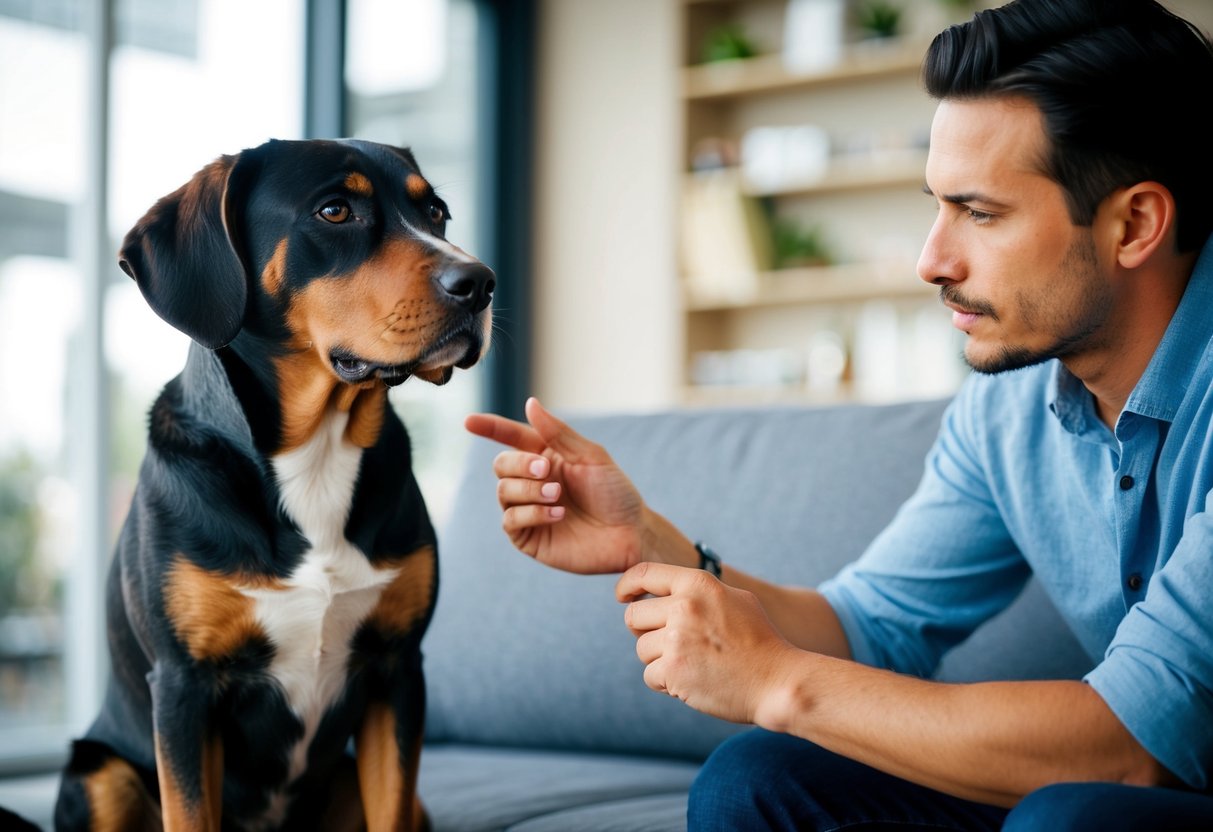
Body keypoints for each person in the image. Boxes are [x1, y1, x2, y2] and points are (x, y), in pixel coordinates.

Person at [465, 0, 1213, 828]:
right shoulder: (1005, 410)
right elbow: (866, 630)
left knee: (1073, 821)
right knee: (758, 778)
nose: (932, 260)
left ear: (1134, 224)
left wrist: (777, 683)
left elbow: (1127, 748)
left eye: (980, 212)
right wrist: (651, 544)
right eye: (936, 205)